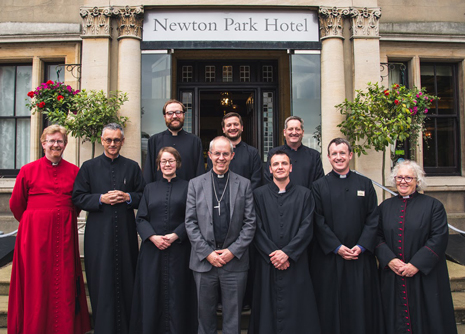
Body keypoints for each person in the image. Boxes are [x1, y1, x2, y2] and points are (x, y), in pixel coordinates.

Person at [8, 125, 91, 334]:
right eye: (52, 141)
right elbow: (17, 204)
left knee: (63, 281)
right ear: (43, 143)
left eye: (60, 141)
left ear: (65, 144)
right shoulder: (28, 170)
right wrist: (34, 222)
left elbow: (78, 202)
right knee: (36, 281)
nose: (56, 145)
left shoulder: (74, 171)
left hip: (64, 234)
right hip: (34, 236)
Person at [72, 123, 145, 334]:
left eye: (116, 140)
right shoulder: (88, 167)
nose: (112, 144)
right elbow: (77, 197)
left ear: (122, 142)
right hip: (98, 235)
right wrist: (100, 198)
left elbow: (144, 196)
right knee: (100, 281)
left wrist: (128, 197)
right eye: (108, 140)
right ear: (102, 141)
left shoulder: (132, 167)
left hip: (125, 233)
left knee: (127, 278)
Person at [310, 138, 384, 334]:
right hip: (330, 259)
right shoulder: (318, 186)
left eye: (342, 153)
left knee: (360, 304)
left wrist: (361, 246)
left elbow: (373, 218)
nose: (338, 157)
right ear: (328, 157)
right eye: (334, 154)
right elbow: (317, 221)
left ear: (350, 155)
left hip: (360, 257)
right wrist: (337, 247)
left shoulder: (365, 184)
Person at [375, 160, 457, 334]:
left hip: (424, 278)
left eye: (408, 178)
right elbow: (376, 236)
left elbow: (439, 238)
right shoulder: (384, 208)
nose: (403, 181)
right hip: (394, 276)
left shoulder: (434, 206)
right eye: (399, 177)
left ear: (417, 181)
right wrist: (389, 259)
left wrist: (416, 265)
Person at [185, 136, 256, 334]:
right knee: (204, 317)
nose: (221, 158)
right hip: (203, 262)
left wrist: (232, 252)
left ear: (232, 156)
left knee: (233, 318)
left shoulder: (244, 184)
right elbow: (190, 222)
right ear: (210, 155)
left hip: (234, 262)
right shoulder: (195, 184)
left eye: (226, 154)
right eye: (217, 153)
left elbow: (250, 223)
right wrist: (208, 253)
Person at [249, 150, 320, 334]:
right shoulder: (258, 195)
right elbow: (256, 227)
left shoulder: (305, 194)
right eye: (276, 164)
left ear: (291, 167)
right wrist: (274, 255)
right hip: (268, 263)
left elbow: (307, 227)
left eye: (284, 163)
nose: (280, 167)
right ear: (270, 169)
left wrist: (287, 253)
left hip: (295, 262)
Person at [130, 147, 197, 334]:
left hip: (180, 250)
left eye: (171, 161)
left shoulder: (188, 186)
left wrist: (176, 235)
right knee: (152, 293)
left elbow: (193, 216)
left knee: (178, 293)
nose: (167, 164)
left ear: (178, 163)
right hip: (152, 251)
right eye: (163, 161)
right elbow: (141, 218)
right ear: (158, 165)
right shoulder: (149, 188)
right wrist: (153, 237)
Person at [144, 99, 204, 183]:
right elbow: (149, 172)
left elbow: (199, 173)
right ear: (165, 117)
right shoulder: (154, 140)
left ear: (183, 115)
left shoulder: (195, 141)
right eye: (170, 113)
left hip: (188, 194)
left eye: (178, 112)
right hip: (159, 194)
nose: (175, 116)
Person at [264, 116, 323, 189]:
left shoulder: (314, 155)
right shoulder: (274, 153)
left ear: (303, 132)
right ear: (285, 132)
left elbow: (319, 183)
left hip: (307, 199)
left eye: (297, 129)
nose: (294, 132)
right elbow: (268, 180)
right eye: (290, 129)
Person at [207, 112, 262, 190]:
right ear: (223, 129)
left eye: (236, 124)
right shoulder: (215, 154)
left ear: (242, 127)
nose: (232, 128)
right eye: (229, 125)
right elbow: (210, 179)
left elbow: (256, 182)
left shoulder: (253, 153)